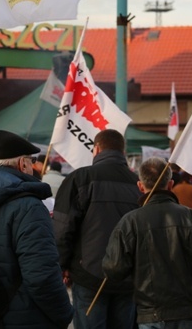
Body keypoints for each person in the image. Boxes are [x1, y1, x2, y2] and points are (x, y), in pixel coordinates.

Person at [0, 130, 74, 328]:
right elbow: (41, 276)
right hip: (25, 318)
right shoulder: (29, 206)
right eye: (30, 160)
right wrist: (64, 313)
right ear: (22, 164)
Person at [103, 157, 192, 329]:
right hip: (189, 313)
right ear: (170, 185)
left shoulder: (130, 222)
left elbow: (114, 269)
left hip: (151, 314)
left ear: (140, 187)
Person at [53, 128, 141, 329]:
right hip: (127, 276)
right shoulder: (138, 184)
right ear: (123, 151)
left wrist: (61, 264)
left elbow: (63, 228)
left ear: (97, 149)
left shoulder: (80, 178)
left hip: (88, 274)